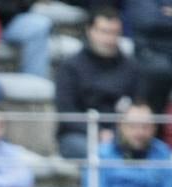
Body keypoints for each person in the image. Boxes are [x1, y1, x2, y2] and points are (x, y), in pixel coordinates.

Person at [54, 6, 140, 160]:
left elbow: (136, 107)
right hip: (78, 135)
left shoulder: (130, 67)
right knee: (102, 155)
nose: (109, 39)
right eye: (104, 31)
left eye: (115, 33)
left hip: (120, 134)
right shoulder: (70, 67)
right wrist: (98, 132)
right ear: (90, 31)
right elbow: (67, 113)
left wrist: (116, 132)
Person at [91, 101, 172, 187]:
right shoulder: (102, 155)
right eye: (133, 126)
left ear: (154, 128)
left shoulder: (163, 154)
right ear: (121, 126)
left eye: (145, 127)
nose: (139, 132)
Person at [0, 0, 53, 80]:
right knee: (38, 27)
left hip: (8, 19)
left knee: (41, 24)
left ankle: (34, 84)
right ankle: (32, 84)